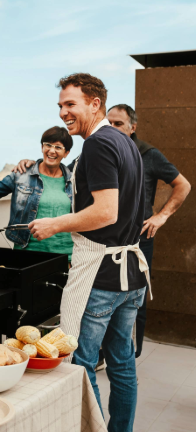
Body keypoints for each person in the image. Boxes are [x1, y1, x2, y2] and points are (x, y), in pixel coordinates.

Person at [28, 73, 149, 432]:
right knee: (122, 363)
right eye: (61, 105)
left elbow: (106, 211)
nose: (64, 113)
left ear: (95, 104)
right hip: (132, 276)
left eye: (71, 104)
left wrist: (55, 224)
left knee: (78, 365)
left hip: (102, 275)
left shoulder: (96, 145)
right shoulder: (126, 141)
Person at [107, 104, 191, 357]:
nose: (112, 128)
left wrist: (161, 216)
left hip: (138, 241)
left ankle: (131, 356)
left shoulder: (148, 154)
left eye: (118, 124)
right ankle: (103, 353)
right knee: (103, 298)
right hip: (104, 239)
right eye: (108, 123)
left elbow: (183, 185)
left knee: (136, 299)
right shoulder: (102, 150)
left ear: (132, 128)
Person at [0, 126, 74, 261]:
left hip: (66, 255)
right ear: (42, 147)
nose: (52, 150)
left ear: (66, 153)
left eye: (58, 147)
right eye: (48, 145)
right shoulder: (21, 175)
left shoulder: (74, 180)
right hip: (27, 253)